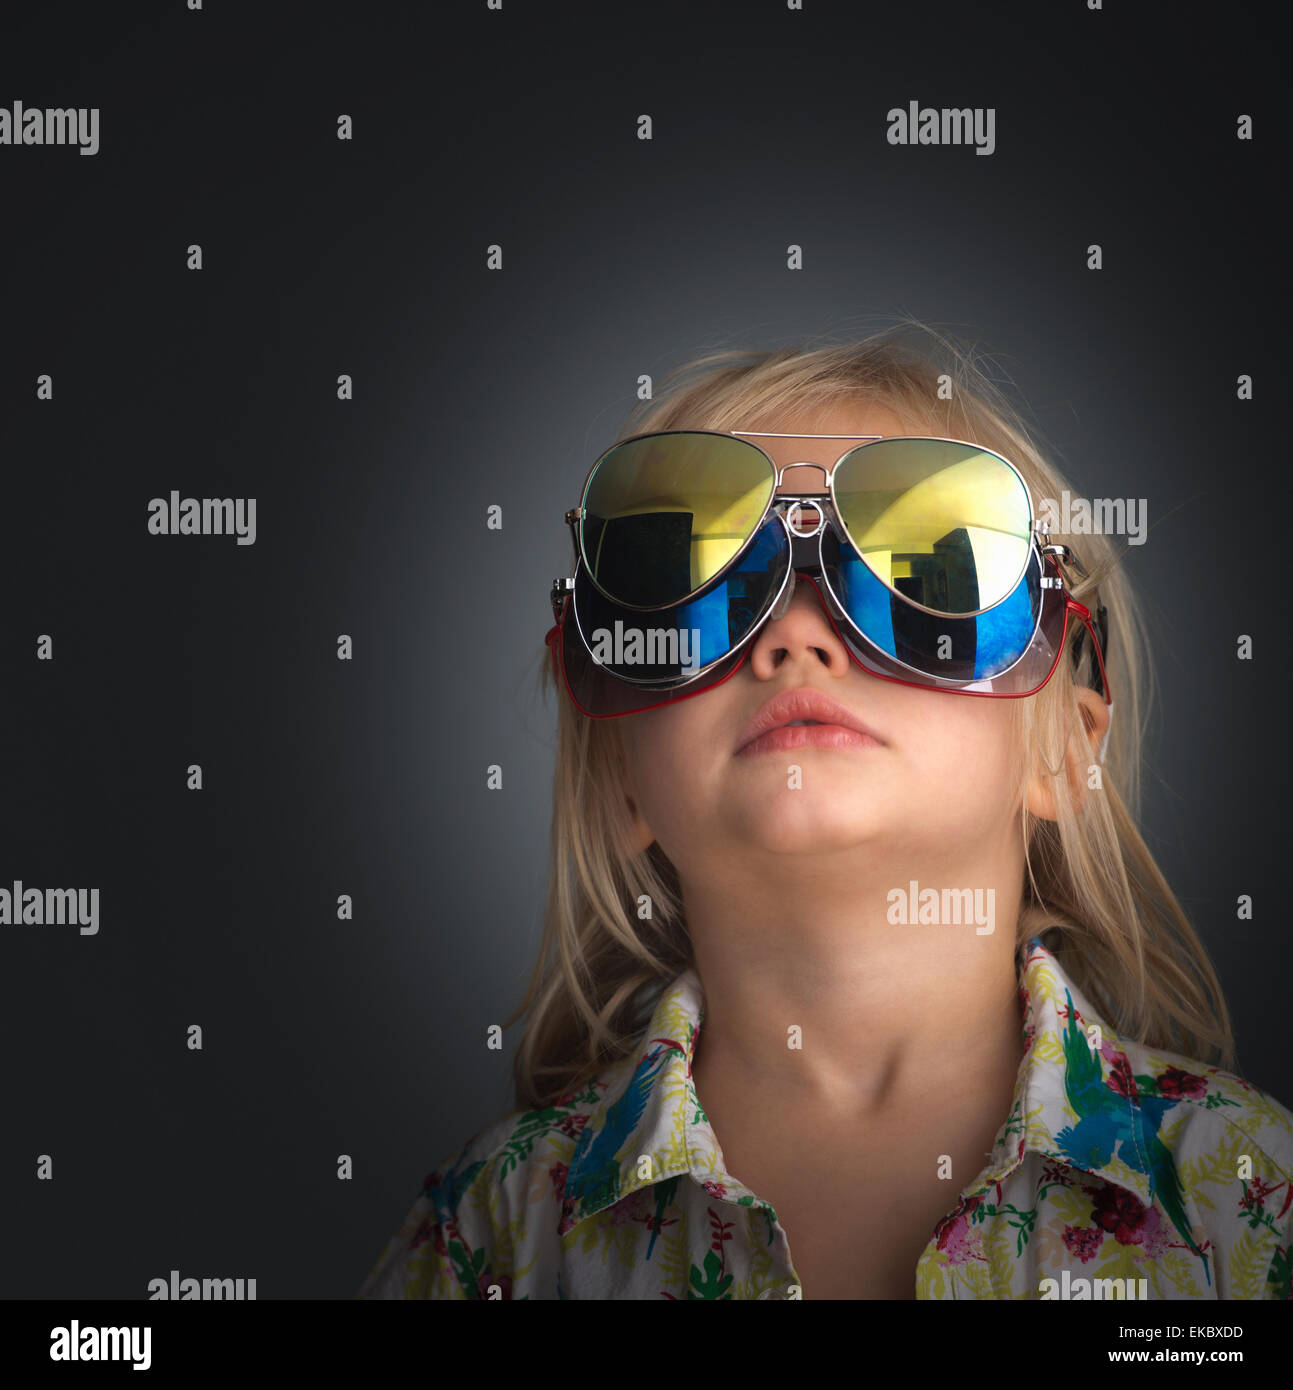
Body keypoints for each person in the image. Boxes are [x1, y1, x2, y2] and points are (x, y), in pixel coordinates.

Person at [358, 327, 1293, 1300]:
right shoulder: (494, 1232)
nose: (796, 635)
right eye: (703, 590)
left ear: (1065, 752)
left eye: (923, 577)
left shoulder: (1246, 1198)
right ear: (621, 785)